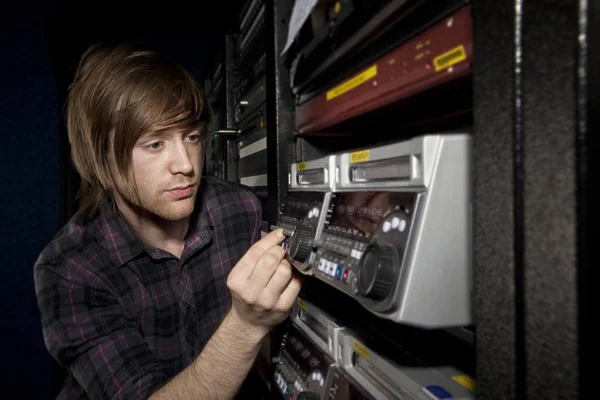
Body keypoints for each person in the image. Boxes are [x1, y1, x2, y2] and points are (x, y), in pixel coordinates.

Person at [33, 42, 302, 399]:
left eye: (191, 137)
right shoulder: (69, 269)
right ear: (102, 160)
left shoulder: (241, 210)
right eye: (155, 144)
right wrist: (245, 325)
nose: (186, 165)